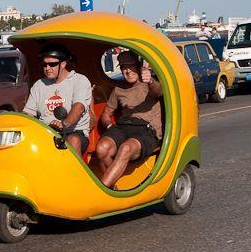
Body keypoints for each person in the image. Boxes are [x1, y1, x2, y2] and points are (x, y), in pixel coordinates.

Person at [95, 50, 163, 189]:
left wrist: (150, 80)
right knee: (102, 148)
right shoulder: (119, 89)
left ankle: (102, 190)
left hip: (146, 130)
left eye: (131, 66)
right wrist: (108, 125)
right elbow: (106, 113)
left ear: (138, 66)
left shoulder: (149, 84)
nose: (127, 71)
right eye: (123, 67)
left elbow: (158, 91)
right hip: (123, 126)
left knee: (126, 148)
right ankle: (113, 187)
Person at [23, 44, 92, 154]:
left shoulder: (79, 80)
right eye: (44, 64)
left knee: (73, 141)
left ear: (63, 64)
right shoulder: (39, 85)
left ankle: (73, 171)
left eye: (52, 64)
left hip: (73, 132)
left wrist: (63, 124)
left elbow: (78, 108)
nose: (47, 68)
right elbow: (28, 114)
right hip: (45, 133)